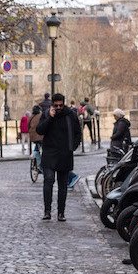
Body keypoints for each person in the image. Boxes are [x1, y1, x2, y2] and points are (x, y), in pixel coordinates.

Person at [36, 92, 82, 222]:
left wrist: (73, 146)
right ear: (52, 104)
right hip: (49, 153)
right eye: (55, 105)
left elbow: (78, 132)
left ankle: (61, 212)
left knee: (62, 185)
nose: (58, 108)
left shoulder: (70, 115)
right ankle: (47, 211)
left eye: (60, 105)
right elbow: (40, 130)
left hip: (64, 154)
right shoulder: (46, 114)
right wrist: (50, 118)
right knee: (48, 180)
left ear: (63, 103)